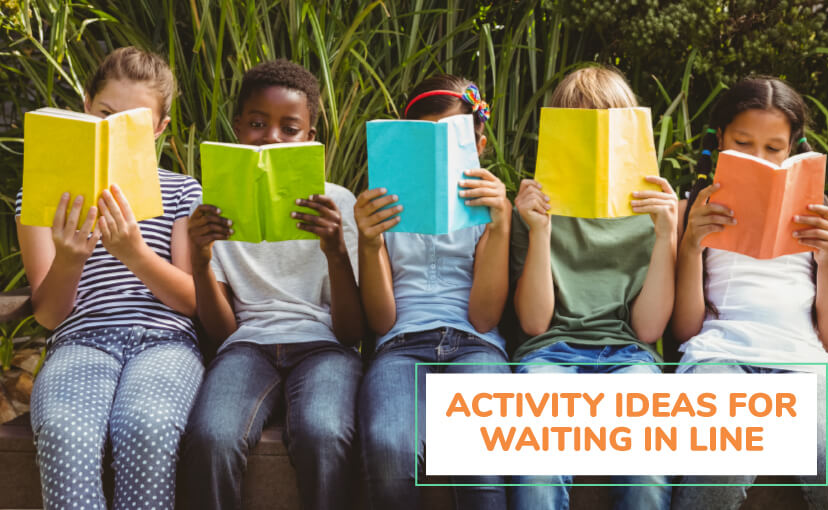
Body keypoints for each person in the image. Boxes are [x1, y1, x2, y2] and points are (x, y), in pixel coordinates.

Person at [17, 46, 203, 509]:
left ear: (158, 129)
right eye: (105, 114)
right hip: (81, 340)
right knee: (64, 431)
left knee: (147, 427)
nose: (113, 127)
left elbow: (192, 300)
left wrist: (134, 253)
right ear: (86, 107)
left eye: (134, 121)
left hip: (165, 342)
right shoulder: (39, 196)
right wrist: (70, 258)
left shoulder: (182, 190)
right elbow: (48, 315)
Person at [179, 59, 364, 510]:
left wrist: (335, 250)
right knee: (212, 437)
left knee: (325, 433)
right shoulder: (212, 206)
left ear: (311, 139)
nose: (272, 138)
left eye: (290, 129)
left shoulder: (338, 203)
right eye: (258, 124)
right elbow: (222, 332)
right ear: (238, 126)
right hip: (247, 345)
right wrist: (201, 260)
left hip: (324, 346)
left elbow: (352, 332)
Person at [671, 76, 828, 509]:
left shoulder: (819, 216)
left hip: (804, 369)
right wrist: (692, 247)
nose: (758, 158)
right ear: (720, 139)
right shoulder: (694, 209)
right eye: (743, 143)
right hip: (719, 359)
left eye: (773, 149)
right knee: (722, 461)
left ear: (793, 148)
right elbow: (684, 328)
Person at [509, 65, 676, 510]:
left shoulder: (649, 211)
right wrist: (540, 231)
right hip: (549, 355)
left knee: (648, 473)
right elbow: (533, 321)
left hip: (628, 357)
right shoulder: (535, 208)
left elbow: (647, 330)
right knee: (537, 470)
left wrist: (666, 236)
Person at [356, 74, 511, 509]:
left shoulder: (490, 212)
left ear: (478, 146)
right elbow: (381, 320)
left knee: (479, 458)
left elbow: (484, 318)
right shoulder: (381, 208)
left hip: (475, 342)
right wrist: (369, 242)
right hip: (399, 344)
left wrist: (501, 227)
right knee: (389, 451)